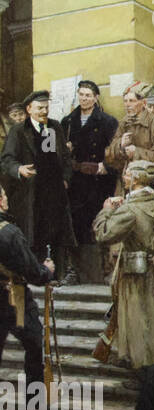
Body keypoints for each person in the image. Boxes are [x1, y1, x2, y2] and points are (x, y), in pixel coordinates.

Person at [92, 160, 154, 368]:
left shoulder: (130, 209)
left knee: (136, 320)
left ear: (136, 179)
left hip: (133, 274)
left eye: (127, 174)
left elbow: (103, 234)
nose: (124, 177)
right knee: (151, 318)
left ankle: (141, 369)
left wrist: (106, 210)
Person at [0, 90, 77, 284]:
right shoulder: (19, 130)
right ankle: (35, 274)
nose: (44, 111)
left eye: (46, 107)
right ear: (29, 109)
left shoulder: (53, 128)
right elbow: (6, 159)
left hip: (54, 192)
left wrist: (65, 179)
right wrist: (19, 169)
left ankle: (55, 275)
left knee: (56, 232)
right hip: (30, 194)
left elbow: (63, 160)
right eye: (39, 108)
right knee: (33, 232)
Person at [61, 80, 119, 284]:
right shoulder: (67, 122)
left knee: (99, 223)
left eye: (88, 95)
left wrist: (107, 167)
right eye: (81, 94)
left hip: (98, 181)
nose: (84, 98)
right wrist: (65, 150)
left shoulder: (108, 121)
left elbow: (116, 152)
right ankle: (75, 272)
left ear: (95, 98)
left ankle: (102, 272)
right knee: (76, 224)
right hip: (76, 181)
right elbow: (58, 154)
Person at [0, 184, 57, 389]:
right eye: (4, 195)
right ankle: (35, 400)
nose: (7, 198)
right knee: (34, 342)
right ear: (0, 201)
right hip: (13, 298)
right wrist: (47, 271)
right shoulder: (10, 233)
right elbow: (33, 272)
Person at [103, 81, 154, 197]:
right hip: (125, 185)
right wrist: (120, 146)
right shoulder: (124, 123)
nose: (127, 105)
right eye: (125, 101)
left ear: (143, 103)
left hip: (149, 185)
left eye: (132, 101)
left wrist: (136, 152)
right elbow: (109, 157)